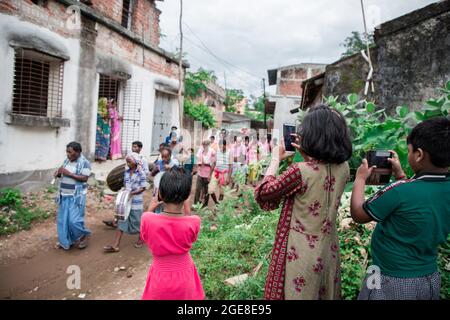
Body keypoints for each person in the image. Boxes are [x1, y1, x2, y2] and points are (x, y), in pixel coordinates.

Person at [254, 104, 352, 300]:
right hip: (327, 249)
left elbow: (264, 192)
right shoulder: (344, 168)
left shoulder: (300, 171)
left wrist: (275, 159)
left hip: (298, 252)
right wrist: (309, 156)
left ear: (312, 135)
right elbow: (322, 172)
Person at [351, 117, 450, 300]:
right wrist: (401, 175)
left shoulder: (399, 191)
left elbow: (358, 214)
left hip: (390, 279)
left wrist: (360, 179)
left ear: (419, 155)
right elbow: (420, 199)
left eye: (410, 151)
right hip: (429, 278)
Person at [140, 167, 204, 300]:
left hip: (160, 276)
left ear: (161, 195)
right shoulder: (194, 222)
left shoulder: (147, 219)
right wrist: (187, 209)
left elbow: (145, 235)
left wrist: (151, 207)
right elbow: (191, 235)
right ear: (187, 196)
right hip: (185, 275)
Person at [104, 153, 147, 252]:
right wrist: (124, 194)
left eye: (129, 161)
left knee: (138, 222)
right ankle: (116, 245)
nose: (127, 163)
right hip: (126, 201)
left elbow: (143, 188)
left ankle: (142, 238)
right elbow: (125, 184)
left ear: (135, 162)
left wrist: (132, 193)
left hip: (136, 201)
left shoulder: (141, 173)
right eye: (126, 161)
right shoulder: (126, 172)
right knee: (121, 220)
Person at [54, 142, 91, 250]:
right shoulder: (66, 161)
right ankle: (65, 241)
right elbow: (62, 172)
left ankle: (83, 235)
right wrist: (58, 173)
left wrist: (68, 173)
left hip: (76, 197)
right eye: (67, 152)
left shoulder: (85, 163)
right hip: (64, 195)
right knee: (63, 220)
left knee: (74, 221)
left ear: (78, 152)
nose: (68, 154)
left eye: (70, 152)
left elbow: (84, 178)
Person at [207, 139, 232, 204]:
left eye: (222, 146)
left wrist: (229, 177)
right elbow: (214, 163)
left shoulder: (229, 152)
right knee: (210, 190)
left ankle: (219, 206)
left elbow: (230, 166)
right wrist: (209, 175)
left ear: (225, 145)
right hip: (216, 173)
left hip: (225, 174)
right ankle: (216, 202)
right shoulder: (217, 151)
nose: (220, 148)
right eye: (219, 146)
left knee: (222, 191)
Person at [194, 140, 216, 206]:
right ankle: (196, 204)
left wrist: (210, 175)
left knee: (206, 190)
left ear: (208, 145)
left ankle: (205, 205)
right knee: (198, 189)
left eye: (205, 145)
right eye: (203, 145)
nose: (204, 146)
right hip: (200, 173)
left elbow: (213, 164)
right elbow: (197, 160)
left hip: (207, 174)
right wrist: (198, 164)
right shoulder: (201, 150)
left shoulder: (212, 152)